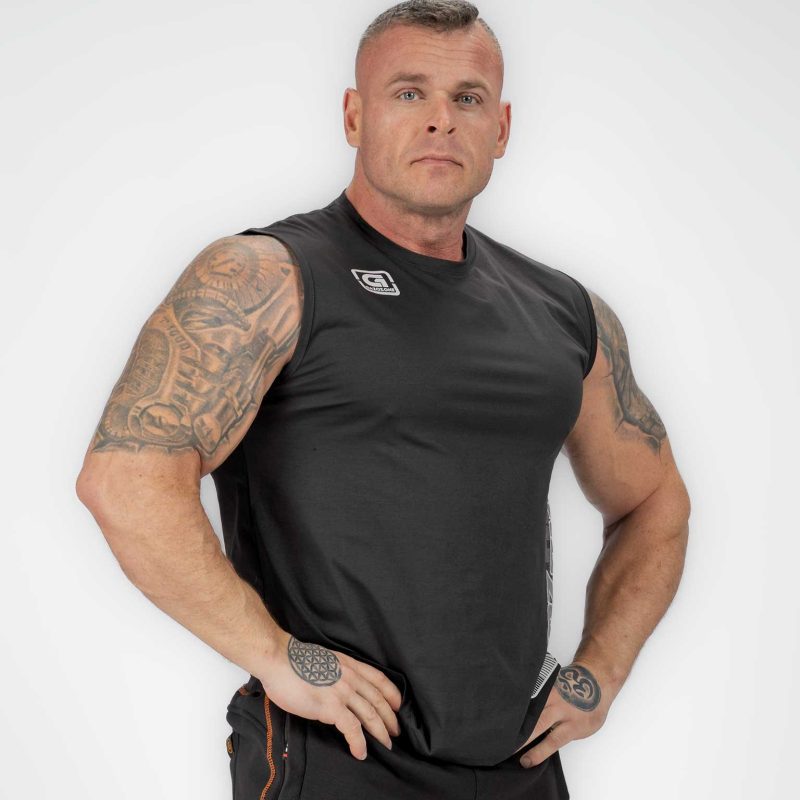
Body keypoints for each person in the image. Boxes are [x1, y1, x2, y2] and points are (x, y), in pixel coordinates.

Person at [76, 1, 691, 798]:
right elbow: (125, 479)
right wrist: (277, 659)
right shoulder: (267, 277)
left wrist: (600, 671)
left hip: (520, 765)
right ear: (354, 116)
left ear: (501, 128)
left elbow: (654, 501)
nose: (441, 120)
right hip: (339, 756)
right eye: (408, 93)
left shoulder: (563, 311)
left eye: (467, 98)